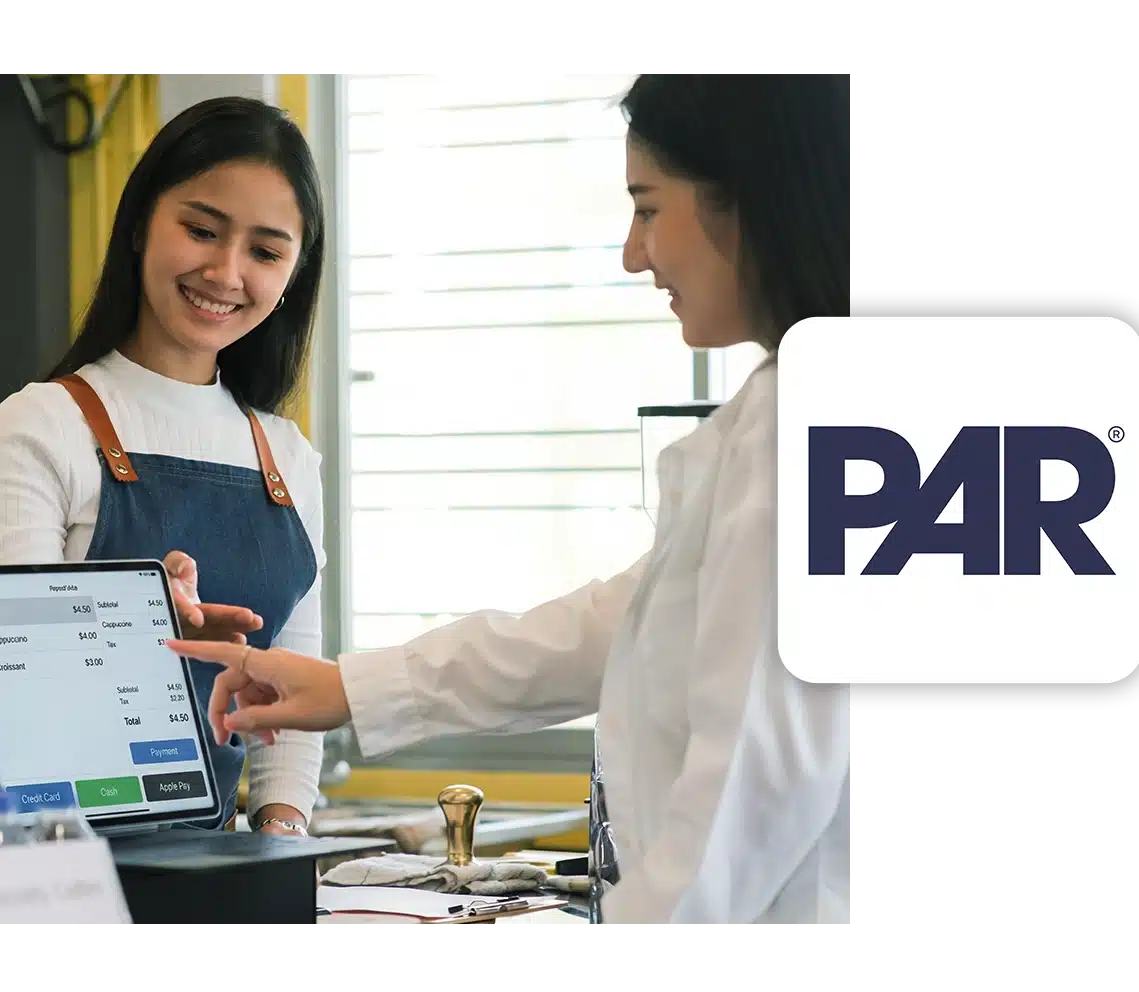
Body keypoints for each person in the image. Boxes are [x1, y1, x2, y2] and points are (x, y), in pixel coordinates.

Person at [169, 72, 857, 925]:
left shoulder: (805, 431)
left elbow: (753, 795)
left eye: (647, 207)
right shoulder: (787, 415)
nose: (633, 253)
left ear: (747, 196)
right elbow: (613, 627)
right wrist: (353, 689)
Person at [0, 96, 328, 837]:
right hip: (54, 875)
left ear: (292, 278)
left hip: (215, 885)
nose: (226, 271)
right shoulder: (41, 425)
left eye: (266, 251)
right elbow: (14, 693)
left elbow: (292, 699)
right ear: (143, 220)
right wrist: (128, 625)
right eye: (202, 230)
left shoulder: (290, 457)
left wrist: (279, 840)